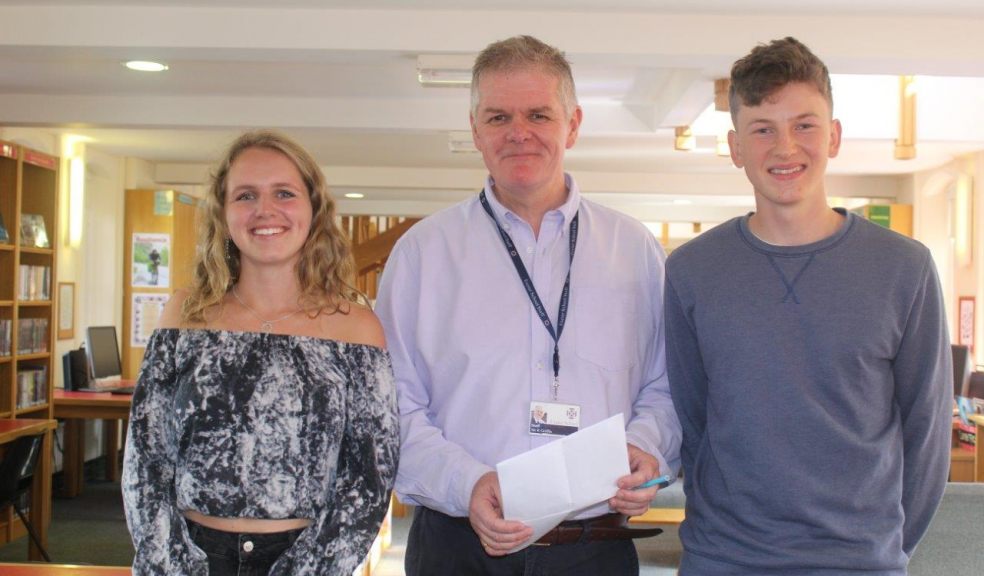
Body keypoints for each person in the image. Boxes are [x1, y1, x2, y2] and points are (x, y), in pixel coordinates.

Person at [375, 35, 681, 575]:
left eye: (539, 114)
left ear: (574, 124)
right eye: (498, 117)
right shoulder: (423, 254)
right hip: (458, 547)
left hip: (596, 549)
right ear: (475, 130)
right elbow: (393, 406)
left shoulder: (634, 251)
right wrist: (468, 482)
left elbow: (666, 385)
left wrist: (646, 450)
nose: (519, 133)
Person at [664, 37, 951, 575]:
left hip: (858, 562)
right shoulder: (692, 270)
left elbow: (928, 435)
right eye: (763, 129)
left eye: (805, 125)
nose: (785, 147)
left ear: (834, 135)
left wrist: (882, 548)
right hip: (725, 559)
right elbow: (693, 421)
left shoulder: (903, 267)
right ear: (735, 147)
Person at [122, 130, 399, 575]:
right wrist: (169, 564)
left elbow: (368, 479)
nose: (264, 210)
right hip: (189, 558)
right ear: (223, 212)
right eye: (246, 195)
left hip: (306, 558)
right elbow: (146, 458)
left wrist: (308, 570)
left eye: (284, 193)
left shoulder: (357, 329)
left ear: (313, 208)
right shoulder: (185, 314)